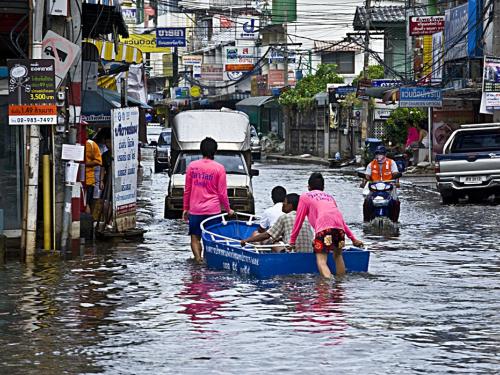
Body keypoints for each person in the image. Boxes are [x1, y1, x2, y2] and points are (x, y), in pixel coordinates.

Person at [290, 172, 364, 278]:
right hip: (339, 229)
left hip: (324, 229)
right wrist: (353, 239)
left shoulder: (305, 196)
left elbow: (299, 220)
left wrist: (292, 241)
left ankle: (328, 282)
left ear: (308, 186)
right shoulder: (329, 197)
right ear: (323, 187)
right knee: (338, 256)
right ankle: (340, 284)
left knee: (321, 260)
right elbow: (341, 221)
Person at [182, 137, 234, 262]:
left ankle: (198, 259)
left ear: (201, 150)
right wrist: (228, 209)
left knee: (195, 237)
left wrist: (185, 208)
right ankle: (208, 260)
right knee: (211, 238)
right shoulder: (219, 168)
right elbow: (222, 193)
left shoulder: (192, 167)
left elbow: (187, 190)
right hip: (213, 211)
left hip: (195, 210)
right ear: (215, 151)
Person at [240, 193, 314, 252]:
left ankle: (265, 255)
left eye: (284, 202)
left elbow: (266, 235)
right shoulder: (306, 218)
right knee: (278, 240)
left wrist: (247, 240)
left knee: (274, 243)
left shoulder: (284, 217)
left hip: (292, 254)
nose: (282, 204)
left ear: (290, 205)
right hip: (308, 252)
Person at [363, 145, 400, 223]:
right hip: (374, 188)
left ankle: (395, 221)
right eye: (377, 153)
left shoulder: (391, 162)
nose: (379, 155)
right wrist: (364, 181)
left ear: (385, 154)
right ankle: (366, 220)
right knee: (367, 201)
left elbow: (395, 173)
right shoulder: (371, 164)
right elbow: (367, 175)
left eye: (381, 153)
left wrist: (396, 181)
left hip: (389, 188)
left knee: (396, 202)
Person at [85, 134, 102, 214]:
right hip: (77, 179)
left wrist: (85, 164)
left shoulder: (91, 144)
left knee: (87, 203)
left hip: (89, 180)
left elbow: (98, 161)